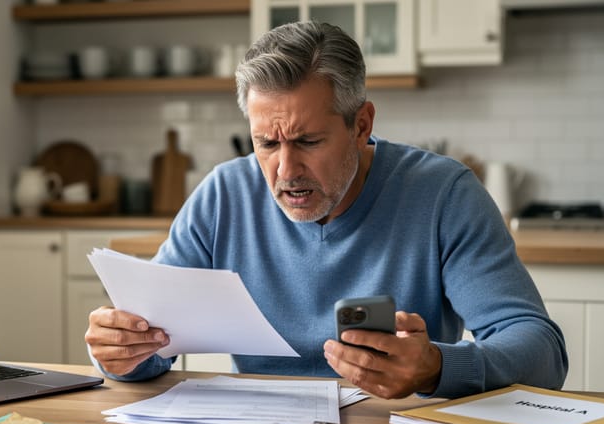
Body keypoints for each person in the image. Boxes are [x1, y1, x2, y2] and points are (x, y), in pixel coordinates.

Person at [84, 21, 567, 400]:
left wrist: (437, 367)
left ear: (361, 124)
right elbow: (148, 345)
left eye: (308, 141)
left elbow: (542, 351)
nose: (284, 170)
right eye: (266, 143)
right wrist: (121, 351)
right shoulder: (222, 195)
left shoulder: (444, 194)